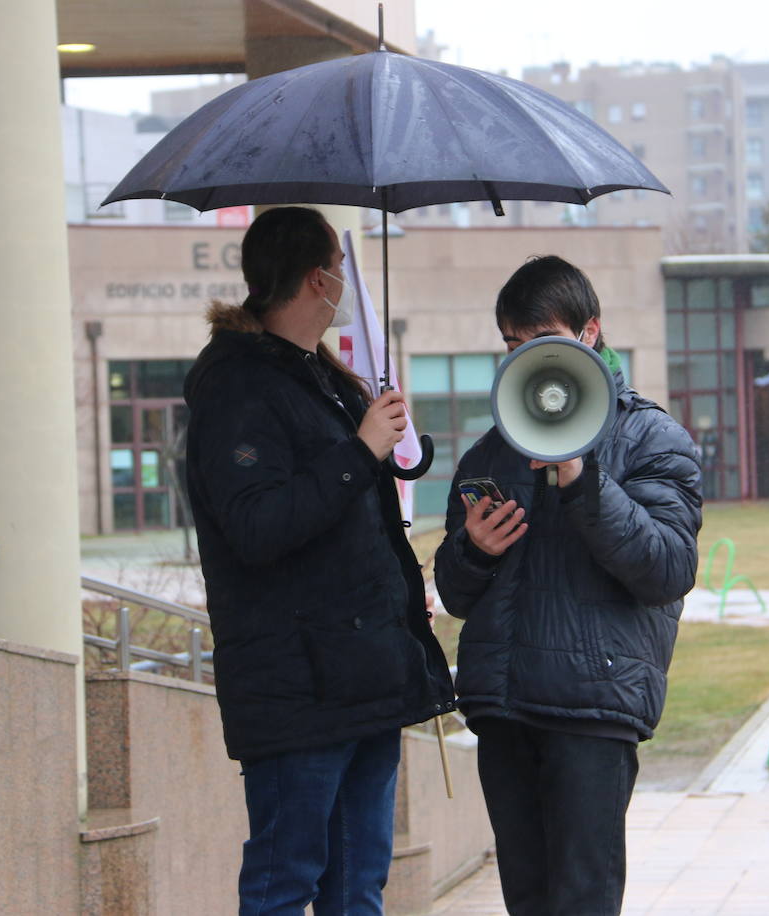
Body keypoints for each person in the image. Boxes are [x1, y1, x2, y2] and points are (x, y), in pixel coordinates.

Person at [182, 206, 455, 916]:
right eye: (338, 265)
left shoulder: (319, 377)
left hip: (362, 678)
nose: (343, 279)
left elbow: (351, 521)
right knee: (285, 884)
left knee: (357, 888)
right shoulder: (238, 387)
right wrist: (358, 449)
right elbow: (258, 527)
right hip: (298, 691)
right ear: (316, 278)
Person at [434, 255, 703, 916]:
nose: (523, 358)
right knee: (527, 900)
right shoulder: (491, 452)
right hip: (503, 707)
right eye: (511, 345)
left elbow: (668, 568)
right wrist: (473, 550)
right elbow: (455, 589)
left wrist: (583, 481)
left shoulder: (649, 438)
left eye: (541, 340)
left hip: (593, 706)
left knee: (582, 899)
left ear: (590, 333)